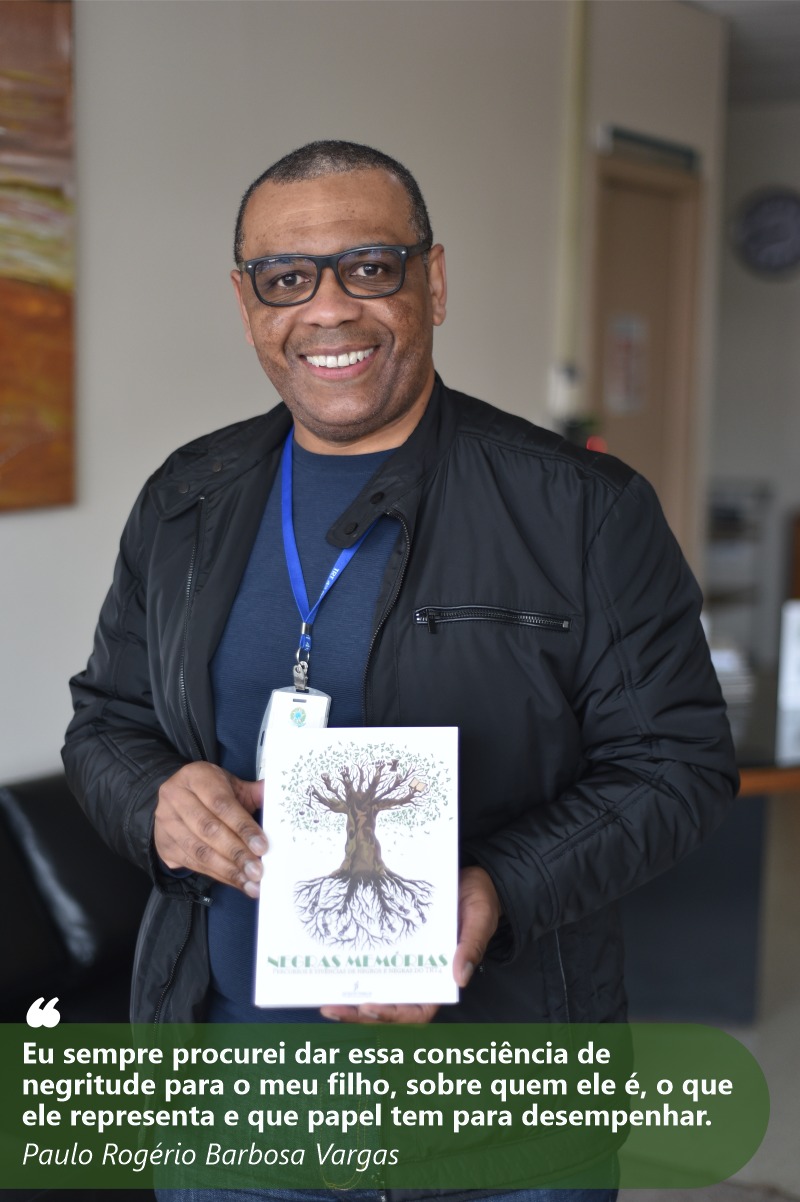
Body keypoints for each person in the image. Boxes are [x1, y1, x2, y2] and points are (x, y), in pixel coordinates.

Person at [62, 140, 737, 1200]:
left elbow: (678, 763)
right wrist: (155, 799)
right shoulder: (186, 499)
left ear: (432, 280)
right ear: (248, 305)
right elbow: (103, 721)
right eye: (287, 278)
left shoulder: (580, 509)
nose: (327, 309)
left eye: (369, 266)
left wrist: (496, 887)